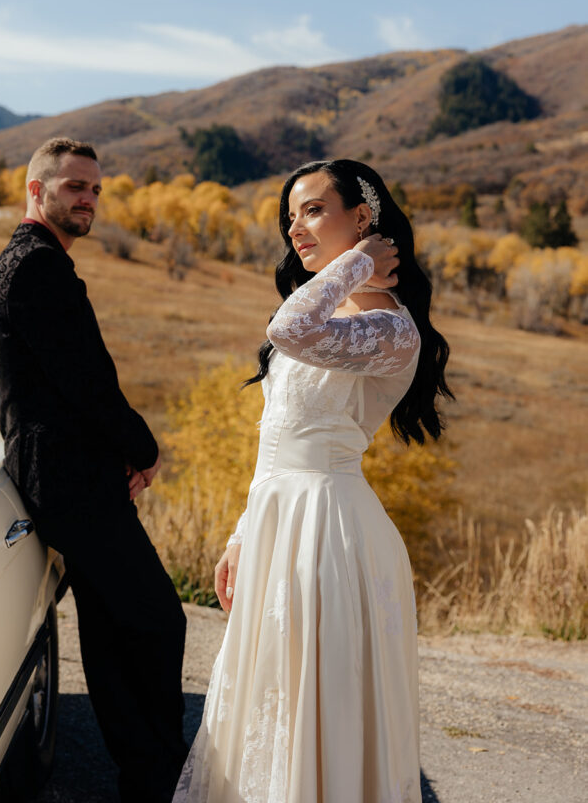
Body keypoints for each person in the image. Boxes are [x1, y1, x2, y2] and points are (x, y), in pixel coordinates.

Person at [173, 158, 453, 803]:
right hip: (277, 528)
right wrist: (242, 536)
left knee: (318, 707)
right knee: (271, 704)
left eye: (314, 210)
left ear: (362, 217)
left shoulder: (391, 329)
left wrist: (356, 264)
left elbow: (287, 328)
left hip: (330, 535)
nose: (296, 229)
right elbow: (274, 443)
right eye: (290, 216)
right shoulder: (331, 321)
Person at [0, 137, 187, 803]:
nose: (88, 199)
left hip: (73, 473)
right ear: (35, 189)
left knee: (110, 623)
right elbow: (85, 384)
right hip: (67, 482)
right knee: (158, 619)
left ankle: (143, 773)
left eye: (95, 189)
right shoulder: (36, 268)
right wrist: (144, 448)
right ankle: (158, 770)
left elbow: (72, 384)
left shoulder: (40, 262)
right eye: (75, 186)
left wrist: (117, 453)